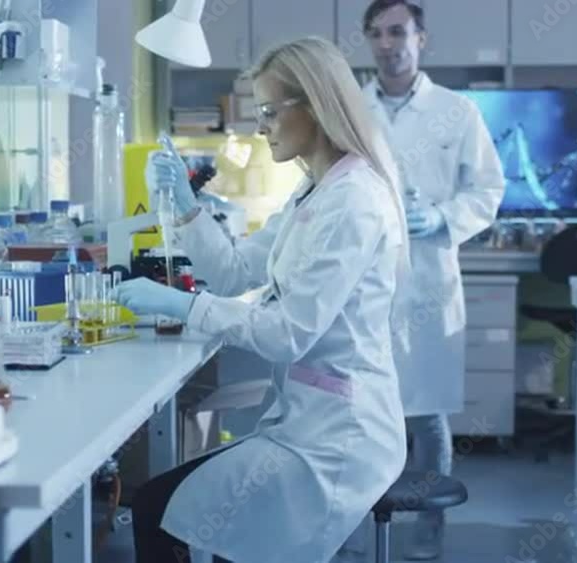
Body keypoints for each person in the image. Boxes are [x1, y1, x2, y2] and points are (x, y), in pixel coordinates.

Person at [115, 36, 411, 563]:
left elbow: (288, 334)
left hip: (340, 439)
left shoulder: (353, 202)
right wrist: (187, 211)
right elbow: (234, 274)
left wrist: (182, 306)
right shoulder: (313, 191)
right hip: (304, 421)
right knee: (179, 510)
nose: (261, 125)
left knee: (159, 510)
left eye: (271, 111)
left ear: (316, 106)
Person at [360, 1, 505, 559]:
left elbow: (488, 191)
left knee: (425, 413)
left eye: (397, 31)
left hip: (426, 281)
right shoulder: (353, 108)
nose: (386, 43)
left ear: (422, 38)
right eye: (375, 34)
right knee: (366, 410)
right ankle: (370, 534)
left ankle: (426, 540)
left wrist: (441, 217)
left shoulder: (457, 111)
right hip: (366, 281)